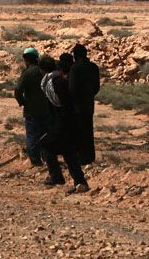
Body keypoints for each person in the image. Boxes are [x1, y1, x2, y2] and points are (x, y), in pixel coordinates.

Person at [39, 54, 89, 192]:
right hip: (67, 123)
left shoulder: (55, 83)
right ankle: (80, 182)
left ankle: (56, 176)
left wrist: (57, 126)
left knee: (46, 145)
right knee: (68, 152)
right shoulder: (54, 81)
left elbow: (64, 105)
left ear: (42, 70)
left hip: (63, 123)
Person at [14, 47, 48, 166]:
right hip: (46, 109)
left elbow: (18, 90)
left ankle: (35, 161)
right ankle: (47, 158)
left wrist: (22, 102)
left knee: (32, 136)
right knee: (45, 135)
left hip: (31, 110)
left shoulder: (27, 73)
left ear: (26, 59)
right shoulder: (44, 71)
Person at [69, 44, 100, 166]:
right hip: (88, 103)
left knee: (78, 131)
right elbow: (96, 87)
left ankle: (80, 157)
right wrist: (89, 95)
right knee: (88, 130)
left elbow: (72, 88)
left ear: (75, 55)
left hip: (76, 105)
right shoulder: (94, 67)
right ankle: (89, 156)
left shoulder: (75, 68)